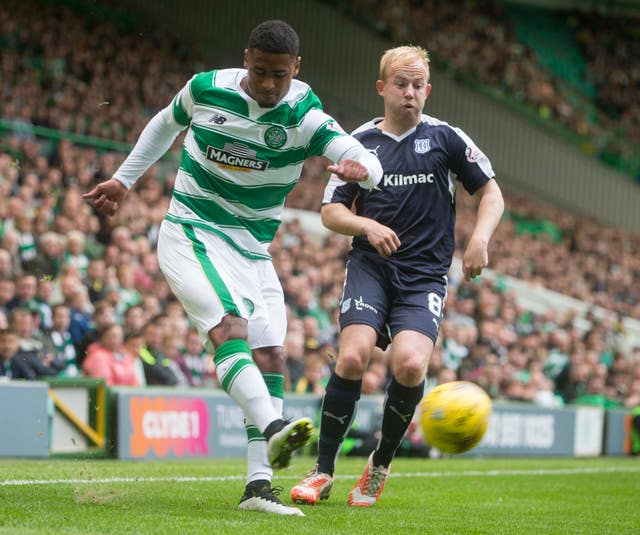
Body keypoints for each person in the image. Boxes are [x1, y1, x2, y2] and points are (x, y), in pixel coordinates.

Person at [83, 19, 382, 516]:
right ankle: (272, 427)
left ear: (296, 69)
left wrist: (362, 171)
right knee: (229, 329)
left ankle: (258, 489)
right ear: (246, 59)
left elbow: (357, 153)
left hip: (253, 250)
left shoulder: (304, 114)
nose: (268, 84)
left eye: (279, 76)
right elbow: (164, 122)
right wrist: (124, 179)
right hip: (192, 231)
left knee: (272, 359)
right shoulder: (207, 90)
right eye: (261, 72)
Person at [291, 45, 504, 507]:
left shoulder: (446, 138)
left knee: (409, 364)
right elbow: (329, 211)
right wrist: (365, 224)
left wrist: (480, 239)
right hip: (371, 266)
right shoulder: (359, 142)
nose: (410, 93)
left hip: (425, 276)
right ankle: (322, 470)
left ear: (427, 90)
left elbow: (490, 192)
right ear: (382, 88)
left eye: (418, 86)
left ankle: (378, 465)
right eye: (401, 84)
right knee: (352, 358)